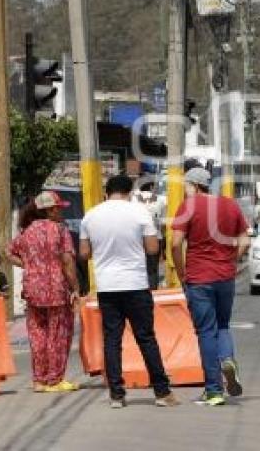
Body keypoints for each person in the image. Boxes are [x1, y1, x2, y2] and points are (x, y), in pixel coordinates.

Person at [79, 175, 180, 409]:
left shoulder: (91, 216)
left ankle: (116, 394)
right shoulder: (140, 212)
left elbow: (84, 254)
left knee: (112, 340)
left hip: (107, 286)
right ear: (129, 191)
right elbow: (153, 248)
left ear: (107, 191)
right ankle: (162, 392)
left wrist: (102, 251)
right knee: (146, 338)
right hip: (135, 284)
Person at [172, 167, 250, 406]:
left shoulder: (189, 206)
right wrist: (230, 260)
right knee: (223, 325)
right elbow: (245, 240)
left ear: (193, 185)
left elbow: (175, 243)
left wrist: (182, 272)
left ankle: (214, 391)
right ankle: (227, 359)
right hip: (225, 277)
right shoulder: (230, 205)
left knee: (206, 331)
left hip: (199, 278)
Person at [7, 192, 79, 393]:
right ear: (49, 210)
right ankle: (55, 380)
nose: (61, 211)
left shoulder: (27, 232)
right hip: (56, 290)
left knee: (37, 334)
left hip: (32, 290)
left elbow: (8, 252)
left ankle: (39, 381)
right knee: (58, 334)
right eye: (58, 208)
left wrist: (28, 264)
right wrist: (75, 289)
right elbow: (67, 262)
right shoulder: (60, 231)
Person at [133, 180, 166, 290]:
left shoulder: (132, 199)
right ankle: (153, 291)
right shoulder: (161, 199)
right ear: (151, 186)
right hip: (156, 237)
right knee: (152, 268)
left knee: (138, 267)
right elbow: (163, 222)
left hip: (137, 238)